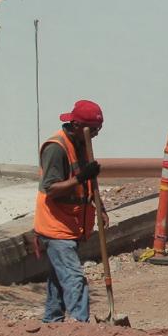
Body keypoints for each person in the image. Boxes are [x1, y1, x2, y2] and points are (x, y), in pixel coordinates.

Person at [34, 100, 104, 322]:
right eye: (92, 130)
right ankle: (79, 327)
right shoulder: (56, 148)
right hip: (55, 227)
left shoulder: (81, 143)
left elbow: (87, 185)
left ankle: (52, 324)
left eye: (97, 130)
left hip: (70, 225)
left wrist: (100, 208)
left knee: (58, 279)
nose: (95, 135)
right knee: (74, 279)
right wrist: (82, 177)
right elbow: (52, 188)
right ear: (76, 125)